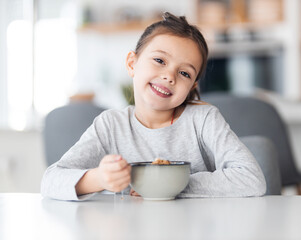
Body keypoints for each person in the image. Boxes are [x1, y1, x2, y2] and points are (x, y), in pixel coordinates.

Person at [41, 12, 266, 201]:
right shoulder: (110, 125)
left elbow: (252, 179)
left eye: (184, 73)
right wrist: (98, 178)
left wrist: (167, 185)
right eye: (159, 60)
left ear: (191, 87)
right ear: (132, 63)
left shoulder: (204, 119)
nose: (169, 76)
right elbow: (50, 181)